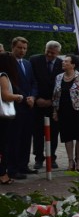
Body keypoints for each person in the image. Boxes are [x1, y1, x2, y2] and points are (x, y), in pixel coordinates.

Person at [52, 55, 79, 171]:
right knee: (67, 135)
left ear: (73, 64)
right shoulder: (59, 77)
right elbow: (55, 95)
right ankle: (70, 161)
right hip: (63, 110)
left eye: (66, 61)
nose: (63, 63)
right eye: (63, 61)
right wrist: (55, 110)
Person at [7, 37, 38, 179]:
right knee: (15, 138)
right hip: (16, 105)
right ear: (13, 47)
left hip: (29, 107)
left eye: (25, 48)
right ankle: (12, 168)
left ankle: (23, 165)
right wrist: (26, 98)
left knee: (27, 137)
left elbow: (33, 82)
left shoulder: (27, 63)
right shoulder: (8, 63)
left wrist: (33, 96)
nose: (22, 51)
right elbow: (12, 84)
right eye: (20, 48)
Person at [30, 40, 63, 170]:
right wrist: (37, 98)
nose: (49, 55)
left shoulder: (62, 64)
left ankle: (52, 157)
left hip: (53, 105)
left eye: (53, 53)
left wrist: (51, 101)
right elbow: (32, 80)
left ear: (58, 53)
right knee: (37, 133)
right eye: (48, 51)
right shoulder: (35, 60)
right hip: (37, 103)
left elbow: (60, 86)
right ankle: (38, 158)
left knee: (54, 133)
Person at [0, 52, 25, 184]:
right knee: (4, 145)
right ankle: (3, 175)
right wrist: (18, 97)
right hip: (3, 117)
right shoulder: (3, 76)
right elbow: (5, 95)